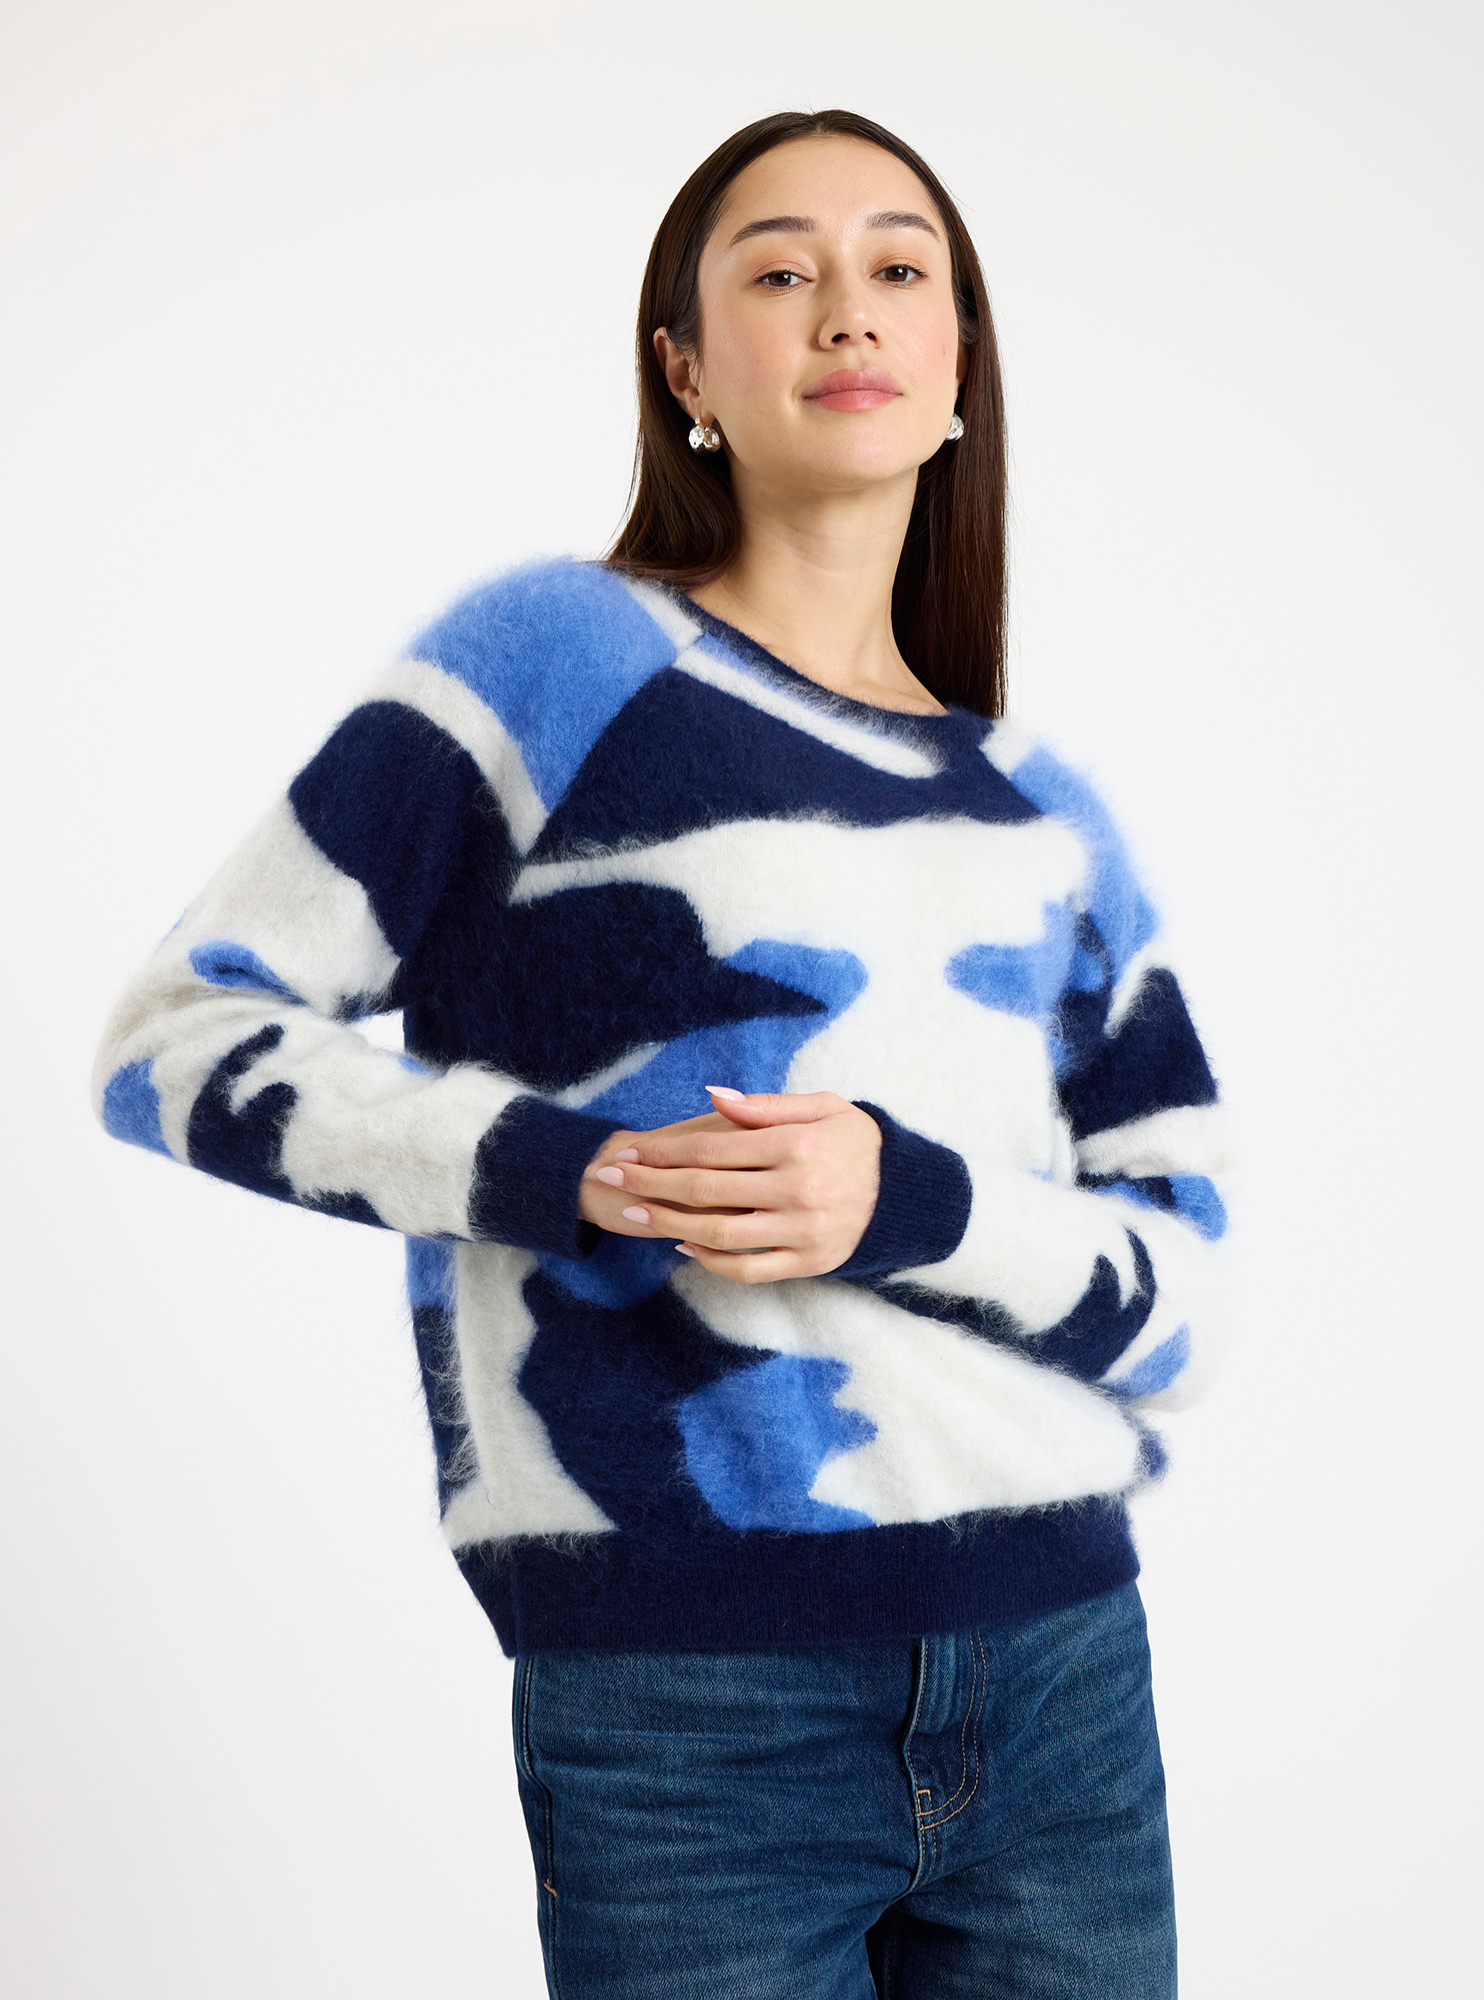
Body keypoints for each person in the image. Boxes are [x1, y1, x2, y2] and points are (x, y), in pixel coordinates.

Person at [93, 107, 1229, 2000]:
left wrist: (912, 1201)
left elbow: (1182, 1306)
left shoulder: (1047, 817)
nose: (844, 311)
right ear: (687, 370)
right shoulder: (555, 660)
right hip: (691, 1693)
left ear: (959, 375)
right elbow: (180, 1040)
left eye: (898, 270)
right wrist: (564, 1171)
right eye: (778, 270)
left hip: (1062, 1673)